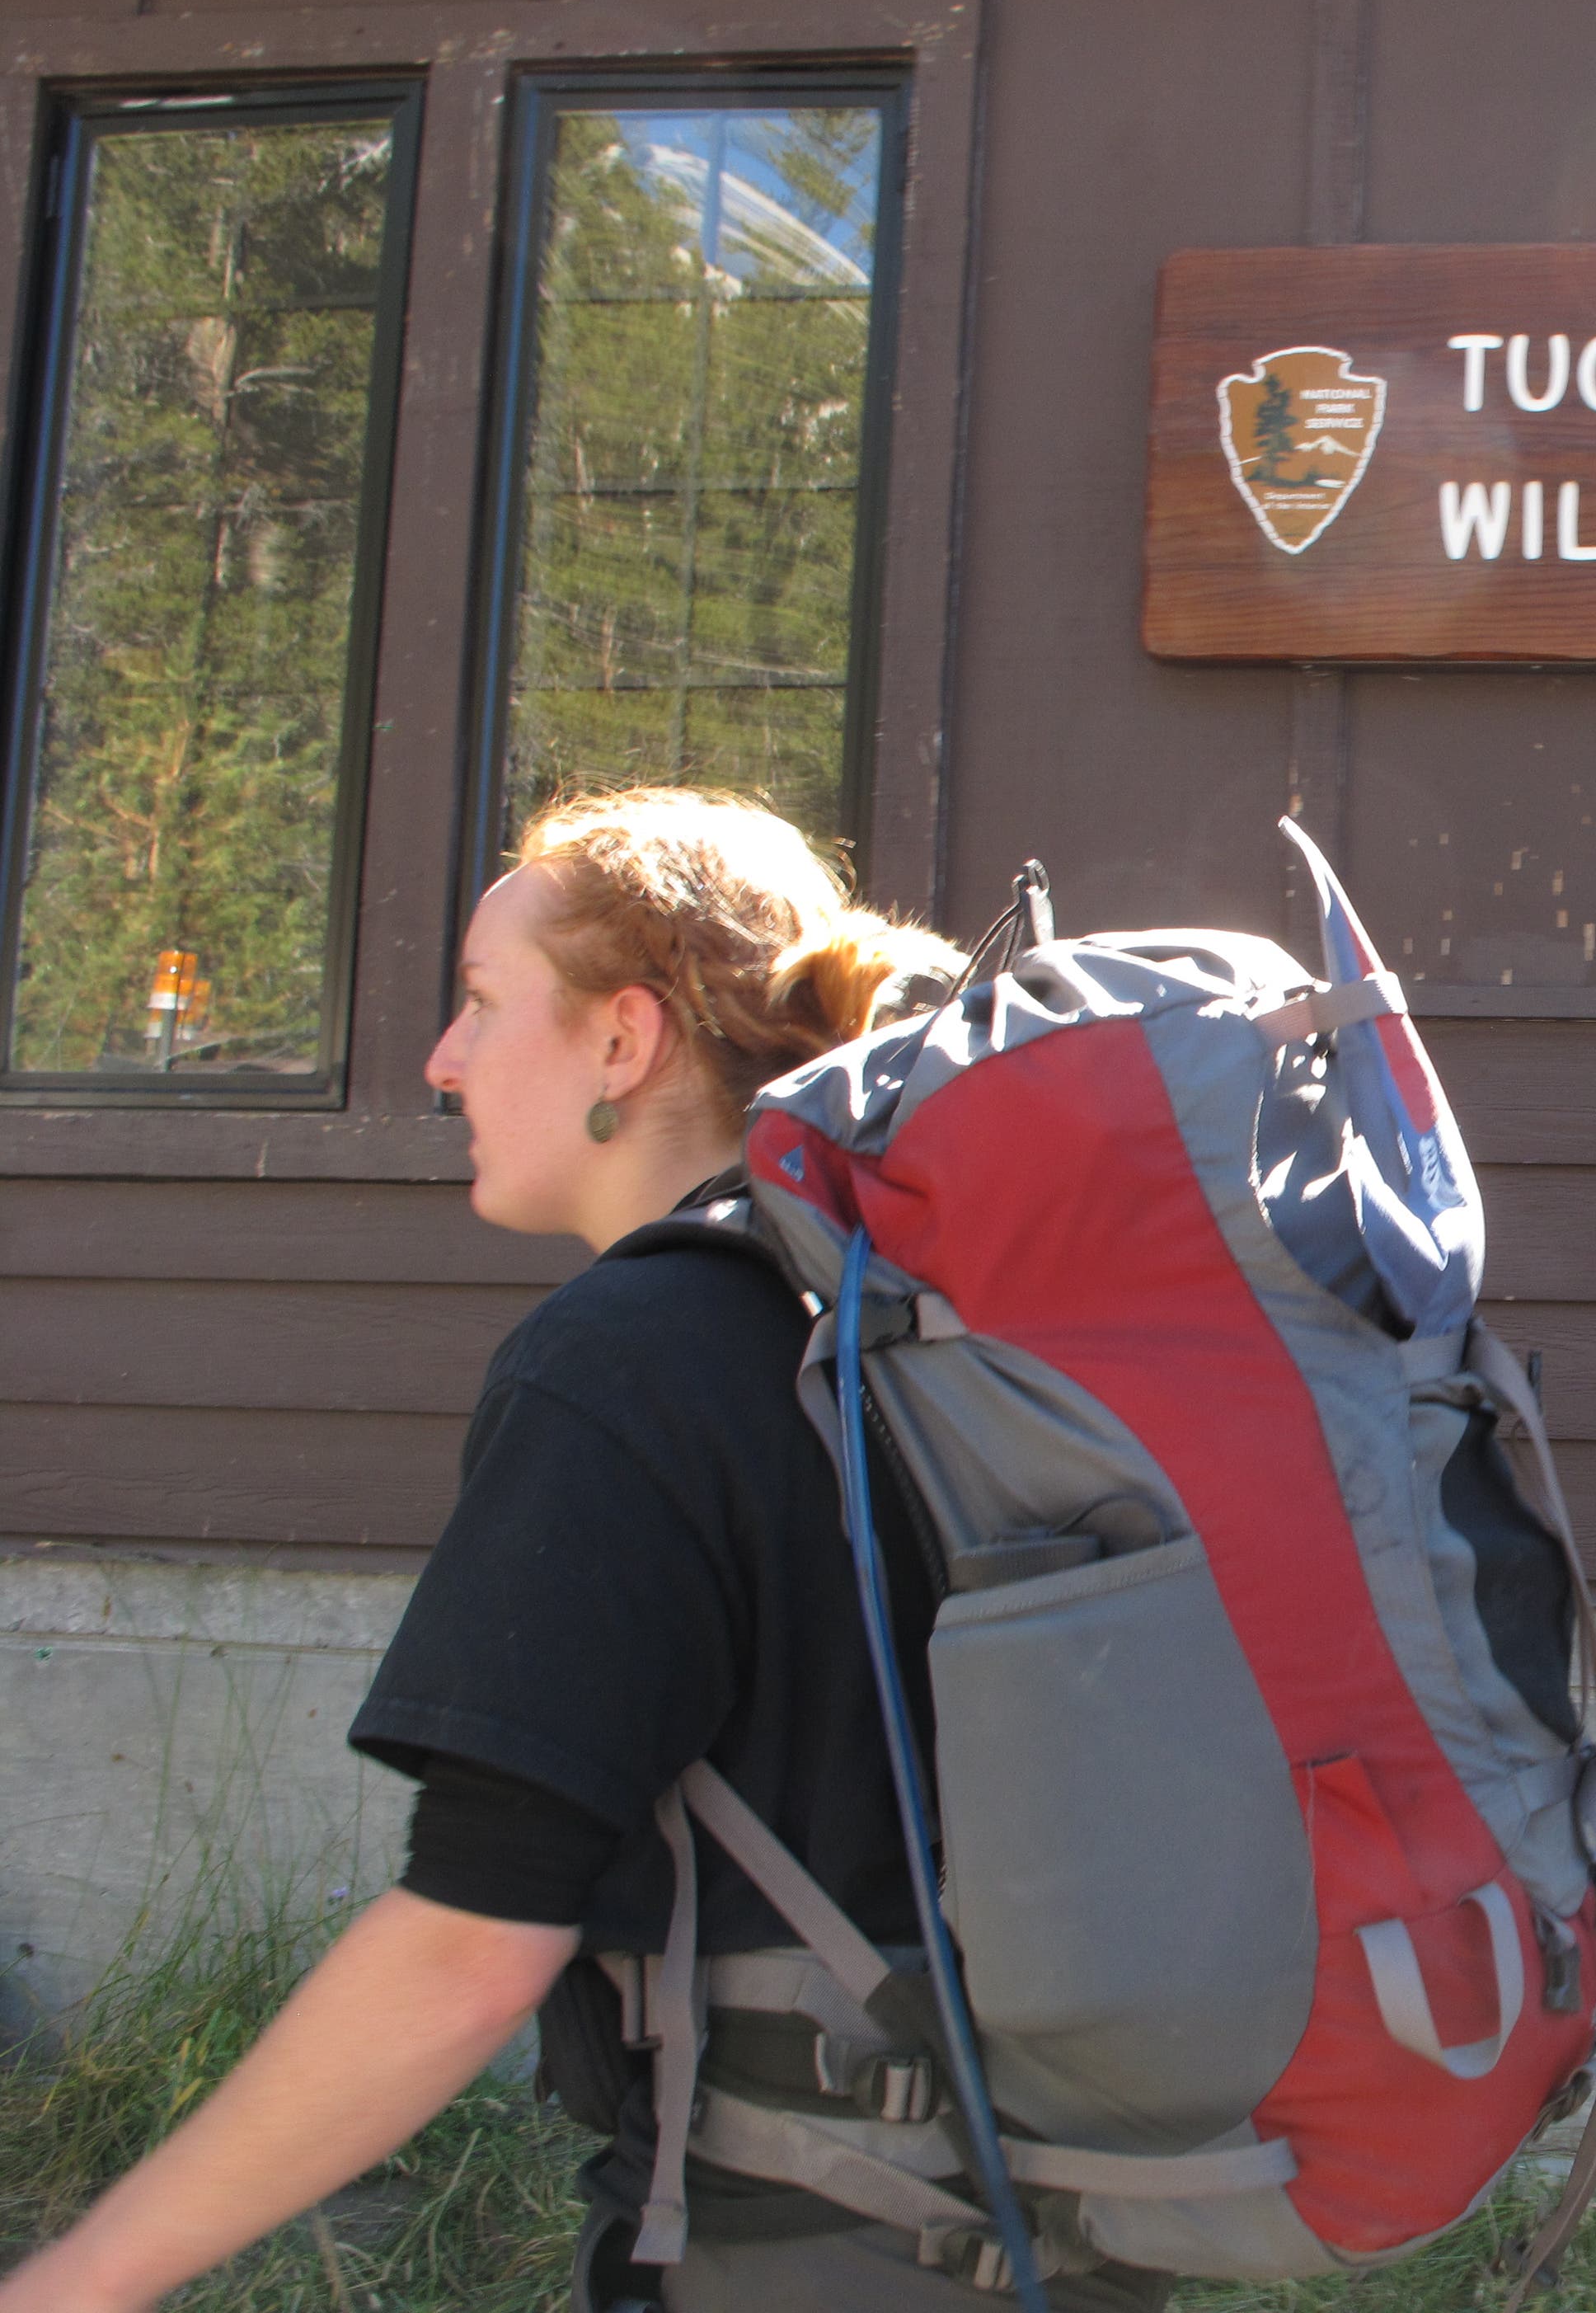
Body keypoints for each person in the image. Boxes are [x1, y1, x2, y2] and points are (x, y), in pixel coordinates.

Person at [0, 789, 1152, 2312]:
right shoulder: (933, 1336)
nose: (441, 1058)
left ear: (625, 1040)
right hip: (1065, 2226)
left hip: (802, 2246)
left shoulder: (630, 1361)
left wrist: (83, 2280)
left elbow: (470, 1943)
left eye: (480, 1004)